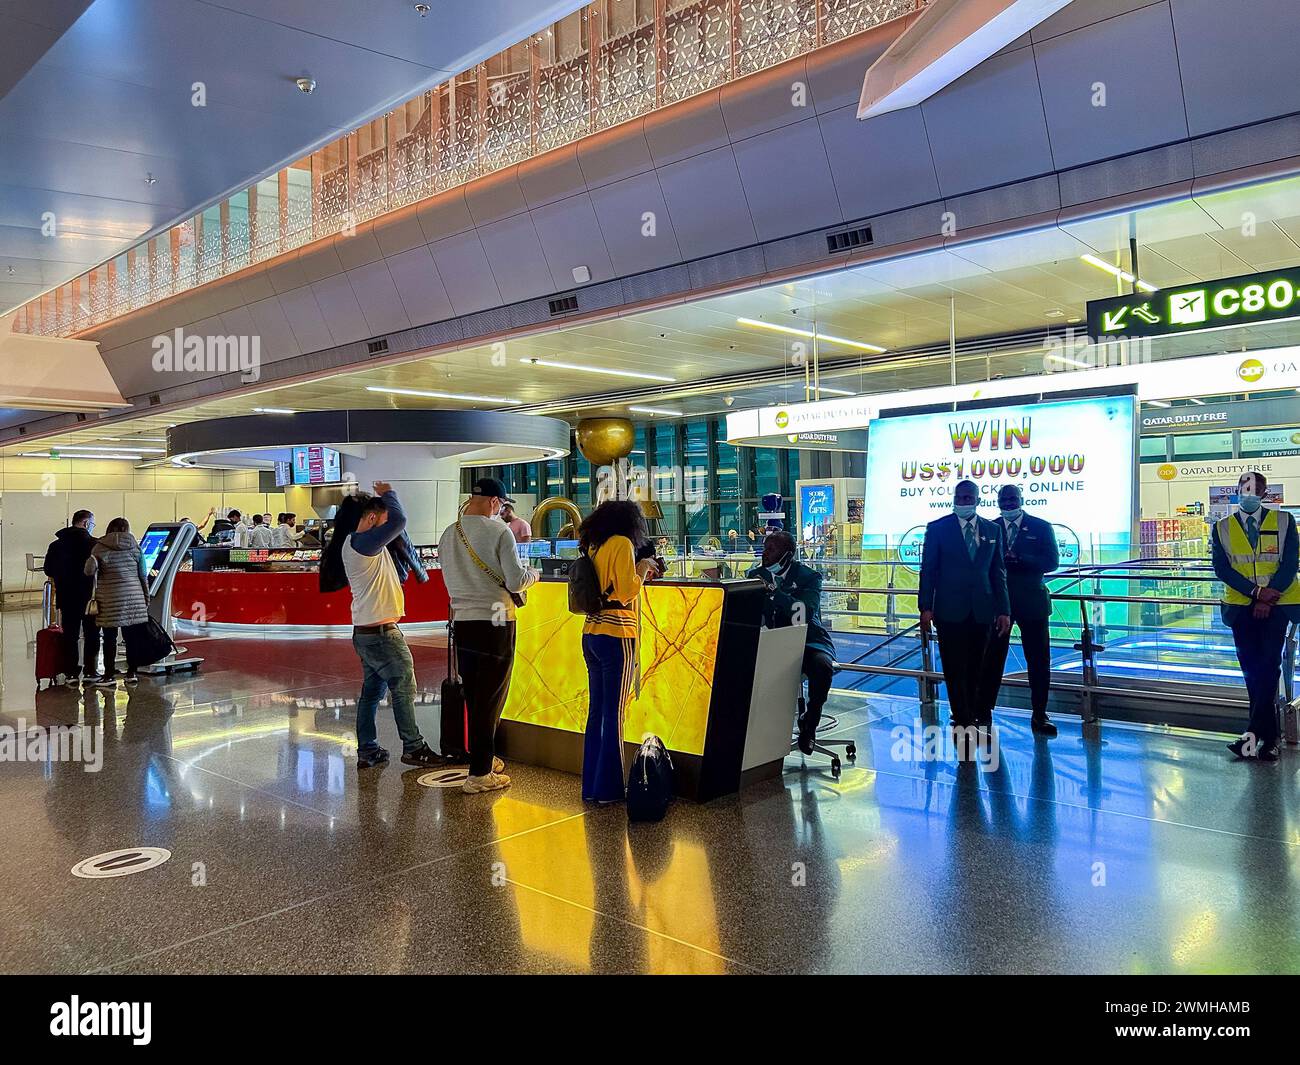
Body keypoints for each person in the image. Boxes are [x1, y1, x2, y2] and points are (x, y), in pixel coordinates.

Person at [438, 477, 538, 794]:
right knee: (491, 696)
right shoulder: (498, 531)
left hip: (463, 622)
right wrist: (533, 575)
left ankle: (485, 757)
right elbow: (515, 579)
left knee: (475, 695)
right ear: (495, 503)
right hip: (496, 621)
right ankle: (480, 773)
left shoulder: (448, 533)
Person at [335, 484, 444, 770]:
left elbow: (397, 529)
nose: (389, 530)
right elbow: (399, 521)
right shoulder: (362, 543)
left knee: (371, 693)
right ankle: (414, 747)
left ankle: (368, 749)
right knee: (404, 687)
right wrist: (390, 493)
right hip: (382, 635)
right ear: (372, 519)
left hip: (367, 632)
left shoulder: (360, 543)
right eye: (382, 522)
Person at [575, 500, 660, 803]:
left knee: (597, 712)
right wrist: (642, 568)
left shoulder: (596, 545)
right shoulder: (623, 544)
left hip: (591, 633)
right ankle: (610, 788)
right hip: (617, 634)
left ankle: (592, 787)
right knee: (615, 714)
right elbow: (625, 591)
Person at [1212, 470, 1299, 763]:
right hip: (1240, 608)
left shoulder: (1285, 521)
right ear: (1236, 490)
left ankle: (1260, 736)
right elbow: (1222, 569)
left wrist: (1268, 594)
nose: (1248, 493)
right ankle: (1264, 740)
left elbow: (1289, 564)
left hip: (1278, 606)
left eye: (1255, 488)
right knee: (1252, 673)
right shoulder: (1222, 527)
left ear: (1264, 493)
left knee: (1269, 666)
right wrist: (1256, 593)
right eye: (1244, 487)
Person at [917, 480, 1010, 729]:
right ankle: (961, 715)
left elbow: (998, 572)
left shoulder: (992, 530)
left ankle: (978, 710)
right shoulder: (938, 529)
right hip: (949, 609)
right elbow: (928, 570)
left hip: (983, 609)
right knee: (954, 665)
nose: (964, 501)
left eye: (969, 497)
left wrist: (1004, 610)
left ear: (978, 500)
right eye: (960, 497)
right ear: (954, 498)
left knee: (979, 665)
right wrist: (925, 607)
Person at [976, 485, 1060, 736]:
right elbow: (981, 563)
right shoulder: (989, 528)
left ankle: (1039, 714)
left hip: (1032, 604)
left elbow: (1052, 562)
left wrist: (1020, 559)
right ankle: (983, 711)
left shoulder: (1041, 526)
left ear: (1021, 499)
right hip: (999, 606)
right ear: (997, 501)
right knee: (991, 661)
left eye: (1013, 499)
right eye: (1003, 500)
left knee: (1039, 661)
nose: (1009, 503)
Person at [746, 529, 836, 754]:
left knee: (822, 667)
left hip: (808, 642)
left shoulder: (809, 577)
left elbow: (803, 612)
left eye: (771, 549)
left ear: (787, 554)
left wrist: (776, 594)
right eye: (764, 548)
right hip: (771, 643)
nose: (764, 554)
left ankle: (811, 722)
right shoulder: (754, 576)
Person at [83, 517, 151, 686]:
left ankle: (109, 675)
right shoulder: (135, 547)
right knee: (131, 638)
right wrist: (145, 597)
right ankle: (131, 673)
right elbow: (143, 575)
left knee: (109, 637)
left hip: (109, 599)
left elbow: (88, 572)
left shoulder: (99, 547)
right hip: (133, 598)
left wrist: (92, 560)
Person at [42, 510, 100, 686]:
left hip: (66, 597)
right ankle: (90, 671)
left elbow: (48, 570)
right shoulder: (94, 544)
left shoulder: (56, 545)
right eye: (92, 524)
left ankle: (71, 673)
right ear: (85, 523)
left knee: (70, 635)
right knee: (92, 634)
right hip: (89, 598)